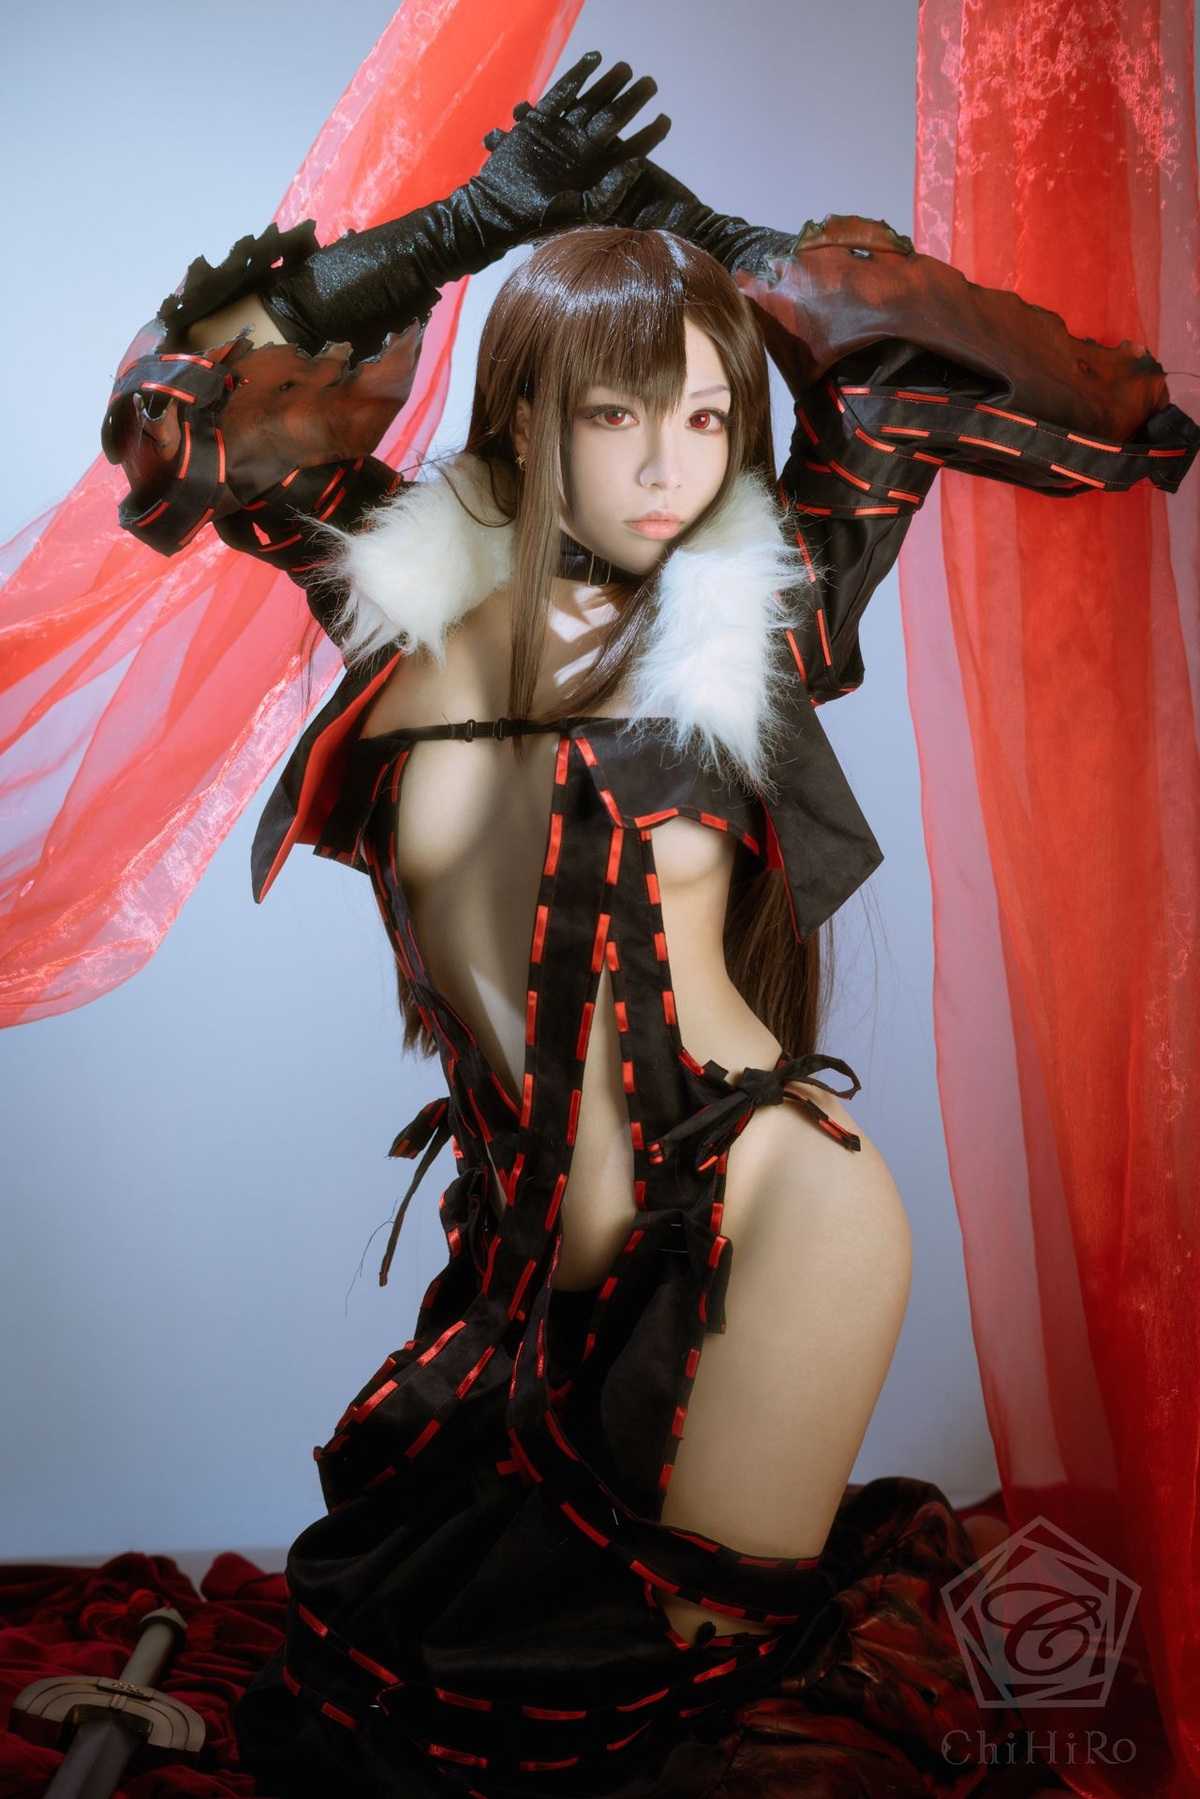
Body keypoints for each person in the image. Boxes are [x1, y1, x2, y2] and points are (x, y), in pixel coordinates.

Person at [101, 49, 1199, 1799]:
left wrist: (718, 243)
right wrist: (463, 227)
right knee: (421, 1703)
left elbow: (1064, 405)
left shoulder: (763, 619)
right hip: (521, 1264)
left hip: (765, 1222)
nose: (672, 465)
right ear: (525, 416)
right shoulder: (398, 590)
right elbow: (180, 418)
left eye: (706, 417)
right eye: (616, 415)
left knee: (670, 1708)